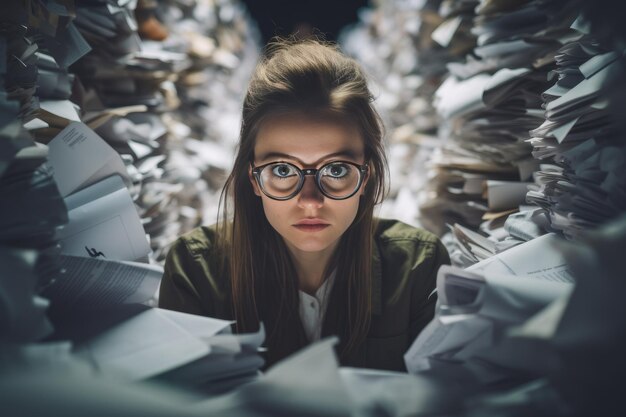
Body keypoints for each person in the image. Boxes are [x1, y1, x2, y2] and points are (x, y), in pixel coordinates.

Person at [159, 38, 450, 371]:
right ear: (253, 179)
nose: (311, 201)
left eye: (336, 169)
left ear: (366, 176)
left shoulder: (418, 267)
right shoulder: (195, 271)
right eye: (282, 170)